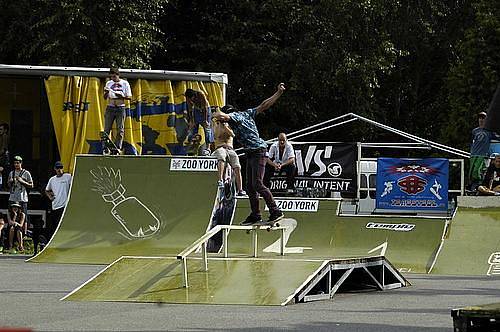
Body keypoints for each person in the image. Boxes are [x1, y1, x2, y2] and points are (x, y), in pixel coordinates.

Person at [213, 83, 286, 225]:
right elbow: (264, 105)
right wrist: (278, 93)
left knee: (258, 184)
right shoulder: (247, 113)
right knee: (250, 186)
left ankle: (275, 210)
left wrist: (215, 112)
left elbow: (221, 115)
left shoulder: (235, 116)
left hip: (258, 152)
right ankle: (255, 214)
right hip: (252, 154)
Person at [212, 119, 245, 196]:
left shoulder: (230, 127)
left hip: (230, 149)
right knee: (221, 157)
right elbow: (217, 136)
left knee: (237, 166)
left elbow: (232, 134)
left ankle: (240, 189)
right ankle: (220, 180)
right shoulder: (216, 126)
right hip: (220, 148)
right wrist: (220, 125)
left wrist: (225, 127)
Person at [103, 68, 132, 152]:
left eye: (114, 77)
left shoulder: (125, 83)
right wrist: (106, 93)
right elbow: (104, 97)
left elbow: (129, 97)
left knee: (120, 129)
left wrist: (121, 96)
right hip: (110, 107)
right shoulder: (109, 83)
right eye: (111, 77)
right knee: (107, 129)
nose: (113, 79)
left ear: (118, 75)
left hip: (120, 107)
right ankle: (105, 147)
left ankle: (118, 147)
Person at [469, 111, 498, 190]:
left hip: (483, 155)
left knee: (479, 171)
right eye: (480, 118)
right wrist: (471, 152)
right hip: (474, 154)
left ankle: (480, 186)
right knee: (472, 172)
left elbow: (497, 137)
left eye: (483, 118)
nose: (481, 120)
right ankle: (473, 187)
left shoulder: (489, 131)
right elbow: (472, 142)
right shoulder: (475, 131)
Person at [45, 161, 72, 237]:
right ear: (55, 169)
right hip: (55, 205)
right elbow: (47, 190)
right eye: (57, 168)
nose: (59, 169)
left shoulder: (68, 176)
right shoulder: (52, 179)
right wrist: (50, 197)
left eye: (61, 168)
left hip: (65, 205)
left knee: (63, 225)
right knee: (56, 225)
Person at [185, 89, 213, 154]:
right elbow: (190, 109)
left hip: (205, 110)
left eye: (191, 98)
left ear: (194, 95)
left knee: (207, 129)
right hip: (197, 109)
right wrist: (192, 121)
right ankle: (193, 148)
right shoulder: (188, 98)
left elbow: (205, 108)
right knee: (194, 129)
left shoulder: (200, 94)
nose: (190, 100)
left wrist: (205, 120)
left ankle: (208, 148)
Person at [8, 156, 33, 226]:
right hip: (12, 197)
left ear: (21, 163)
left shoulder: (26, 173)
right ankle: (11, 233)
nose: (16, 165)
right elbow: (8, 185)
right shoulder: (11, 173)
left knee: (23, 216)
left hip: (22, 198)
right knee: (12, 215)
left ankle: (24, 233)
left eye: (17, 163)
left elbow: (31, 185)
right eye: (15, 163)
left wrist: (22, 181)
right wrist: (10, 181)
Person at [0, 123, 9, 189]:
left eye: (1, 129)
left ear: (5, 130)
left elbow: (3, 149)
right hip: (3, 157)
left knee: (3, 172)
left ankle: (3, 186)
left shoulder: (4, 136)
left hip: (3, 158)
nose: (0, 131)